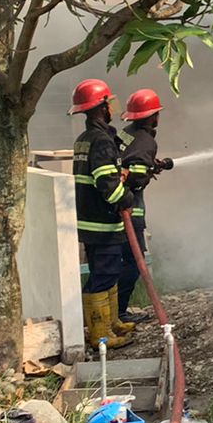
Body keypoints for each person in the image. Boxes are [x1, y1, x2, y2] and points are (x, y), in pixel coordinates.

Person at [71, 79, 134, 350]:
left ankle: (110, 324)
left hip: (90, 221)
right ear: (102, 107)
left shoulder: (84, 139)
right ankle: (101, 335)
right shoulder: (102, 141)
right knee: (105, 275)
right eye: (109, 103)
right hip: (103, 222)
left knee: (105, 272)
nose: (112, 108)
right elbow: (106, 184)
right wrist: (126, 198)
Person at [117, 88, 175, 327]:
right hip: (130, 211)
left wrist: (152, 166)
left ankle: (113, 312)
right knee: (134, 262)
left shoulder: (127, 133)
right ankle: (119, 312)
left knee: (117, 262)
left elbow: (130, 162)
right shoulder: (146, 141)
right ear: (152, 117)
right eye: (157, 113)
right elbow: (137, 176)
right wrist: (148, 172)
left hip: (115, 207)